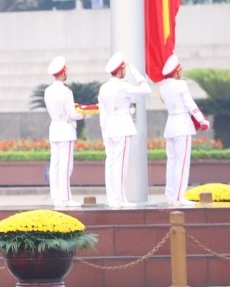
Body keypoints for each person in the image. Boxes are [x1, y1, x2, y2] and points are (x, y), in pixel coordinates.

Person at [98, 53, 152, 208]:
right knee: (121, 165)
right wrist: (135, 71)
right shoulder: (123, 86)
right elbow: (146, 89)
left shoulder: (104, 87)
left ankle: (112, 198)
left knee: (110, 164)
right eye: (125, 69)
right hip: (121, 126)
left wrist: (104, 130)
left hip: (109, 127)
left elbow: (102, 112)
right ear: (121, 70)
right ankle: (120, 200)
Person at [157, 55, 210, 206]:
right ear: (176, 72)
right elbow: (190, 104)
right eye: (180, 70)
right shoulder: (180, 85)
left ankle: (170, 195)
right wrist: (201, 120)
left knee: (172, 163)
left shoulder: (163, 87)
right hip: (182, 125)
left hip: (171, 125)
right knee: (182, 163)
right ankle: (179, 197)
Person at [43, 56, 89, 208]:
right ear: (63, 72)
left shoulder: (48, 91)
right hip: (65, 129)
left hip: (54, 127)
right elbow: (72, 114)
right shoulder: (66, 91)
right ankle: (66, 198)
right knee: (65, 165)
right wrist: (84, 114)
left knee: (55, 164)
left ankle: (56, 197)